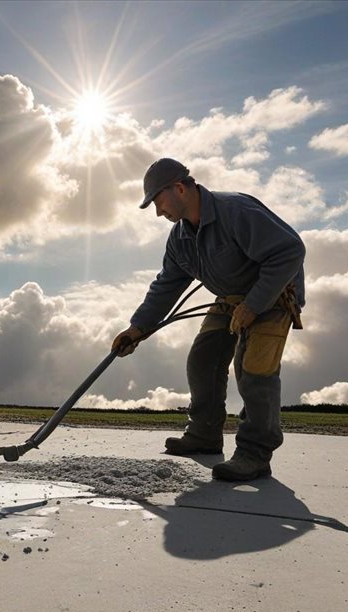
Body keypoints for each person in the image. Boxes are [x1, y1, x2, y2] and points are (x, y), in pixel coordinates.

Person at [112, 158, 305, 481]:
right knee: (203, 359)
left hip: (273, 295)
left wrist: (255, 304)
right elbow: (167, 285)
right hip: (230, 299)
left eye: (158, 201)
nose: (158, 212)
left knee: (254, 369)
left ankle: (255, 454)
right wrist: (137, 328)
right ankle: (204, 435)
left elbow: (290, 250)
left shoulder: (236, 211)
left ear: (179, 188)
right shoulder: (179, 239)